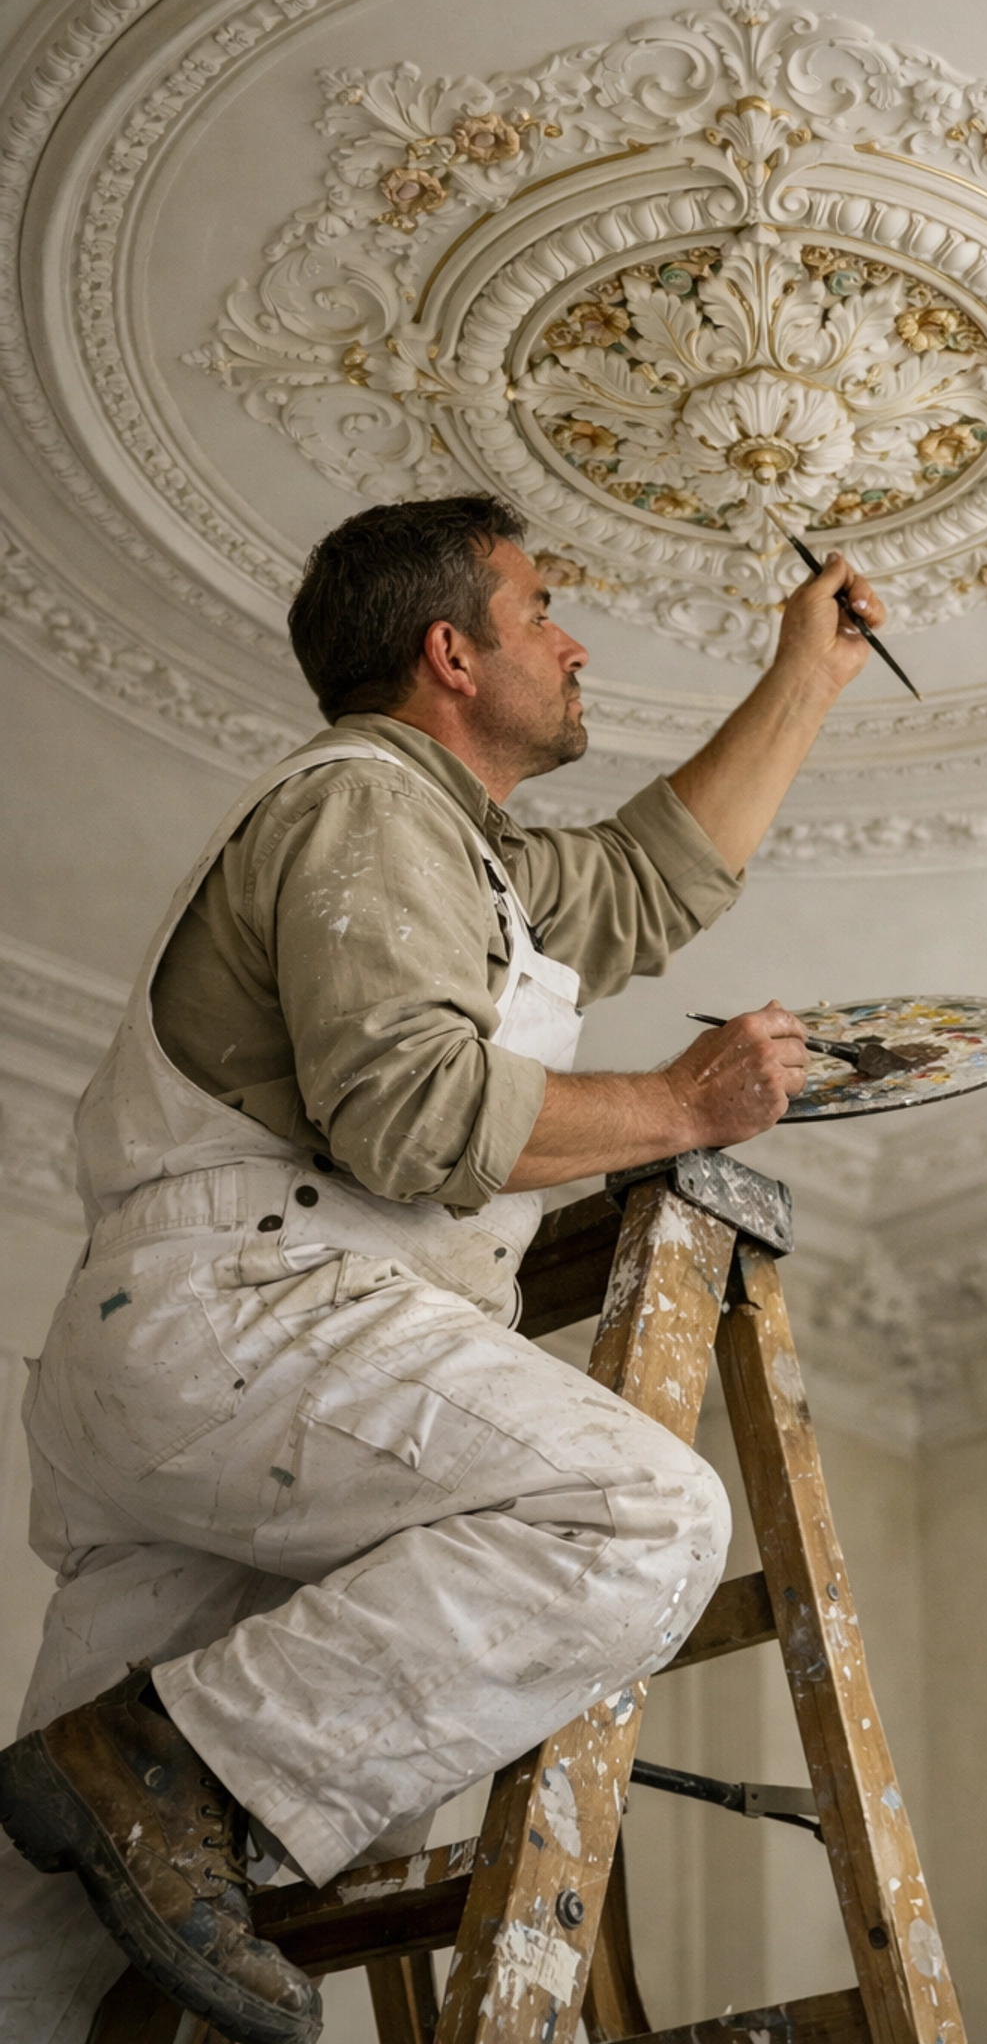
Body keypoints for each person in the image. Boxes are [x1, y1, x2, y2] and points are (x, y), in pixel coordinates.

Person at [0, 495, 887, 2044]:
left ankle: (139, 1775)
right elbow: (412, 1112)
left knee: (49, 1951)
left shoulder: (459, 860)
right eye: (540, 608)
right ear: (451, 653)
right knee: (639, 1517)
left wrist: (805, 673)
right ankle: (164, 1772)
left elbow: (643, 885)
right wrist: (681, 1106)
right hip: (255, 1321)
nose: (573, 638)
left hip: (193, 1368)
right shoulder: (363, 807)